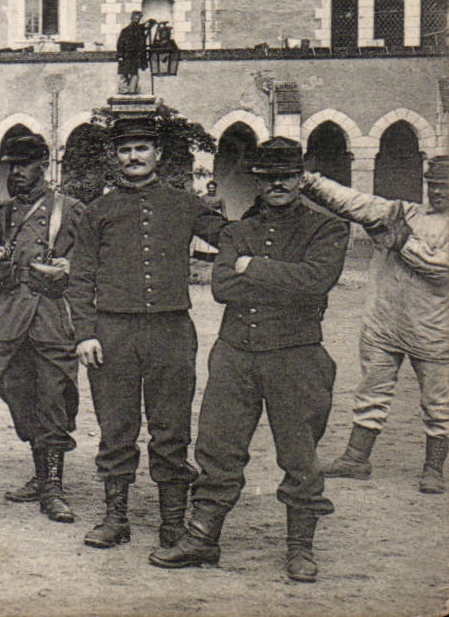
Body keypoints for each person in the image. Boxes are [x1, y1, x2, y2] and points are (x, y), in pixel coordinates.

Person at [151, 138, 347, 582]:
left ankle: (300, 548)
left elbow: (315, 283)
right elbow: (222, 287)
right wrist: (266, 274)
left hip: (297, 357)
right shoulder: (237, 232)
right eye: (268, 176)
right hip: (235, 355)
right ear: (256, 180)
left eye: (287, 175)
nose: (278, 184)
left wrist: (250, 268)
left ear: (301, 179)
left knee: (299, 455)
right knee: (218, 448)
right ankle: (202, 538)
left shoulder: (328, 230)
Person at [67, 114, 226, 550]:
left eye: (142, 148)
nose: (133, 157)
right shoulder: (97, 212)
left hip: (171, 331)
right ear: (114, 157)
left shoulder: (184, 203)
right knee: (116, 428)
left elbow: (231, 239)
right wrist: (85, 333)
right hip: (112, 332)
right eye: (124, 149)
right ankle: (115, 518)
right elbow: (80, 278)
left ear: (157, 154)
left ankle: (172, 524)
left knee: (170, 428)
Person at [303, 154, 448, 495]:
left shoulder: (405, 225)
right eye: (434, 185)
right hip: (384, 322)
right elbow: (356, 203)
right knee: (371, 391)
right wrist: (311, 181)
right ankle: (356, 458)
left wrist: (403, 243)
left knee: (439, 401)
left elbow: (442, 269)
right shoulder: (405, 213)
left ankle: (433, 469)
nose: (438, 192)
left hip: (434, 328)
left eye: (445, 186)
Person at [0, 134, 82, 524]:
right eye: (10, 166)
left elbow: (89, 265)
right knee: (19, 395)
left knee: (54, 397)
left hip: (53, 317)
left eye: (24, 164)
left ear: (44, 164)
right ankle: (39, 475)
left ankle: (53, 485)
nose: (15, 173)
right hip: (11, 318)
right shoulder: (1, 213)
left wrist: (67, 269)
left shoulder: (68, 211)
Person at [116, 11, 148, 95]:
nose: (136, 20)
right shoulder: (125, 31)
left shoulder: (141, 31)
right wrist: (120, 55)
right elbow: (120, 44)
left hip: (136, 57)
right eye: (135, 18)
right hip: (126, 55)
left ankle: (132, 90)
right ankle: (123, 90)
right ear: (132, 18)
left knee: (134, 73)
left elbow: (143, 45)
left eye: (138, 19)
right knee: (123, 73)